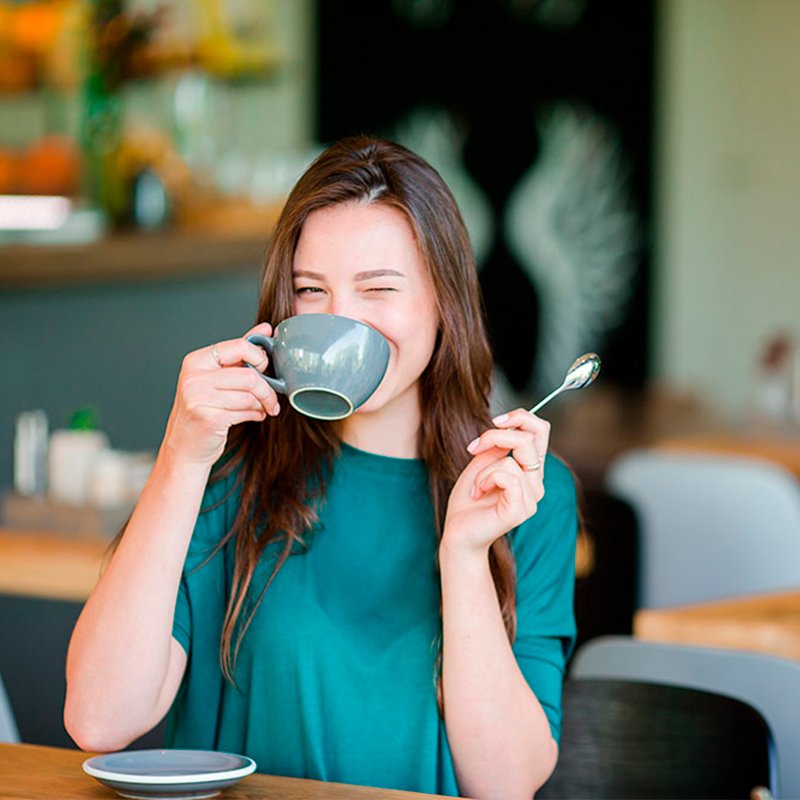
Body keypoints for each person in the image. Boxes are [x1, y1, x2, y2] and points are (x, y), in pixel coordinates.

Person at [64, 136, 578, 800]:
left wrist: (464, 554)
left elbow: (506, 783)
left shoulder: (519, 488)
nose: (341, 322)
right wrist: (181, 456)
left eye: (378, 289)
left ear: (443, 302)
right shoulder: (231, 464)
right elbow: (99, 718)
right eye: (313, 291)